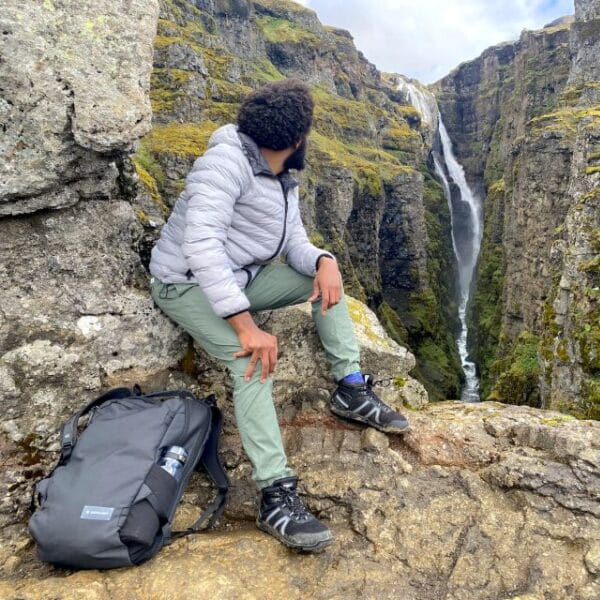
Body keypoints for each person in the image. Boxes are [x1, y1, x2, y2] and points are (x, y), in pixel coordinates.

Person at [148, 78, 410, 553]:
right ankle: (275, 493)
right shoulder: (224, 164)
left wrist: (325, 261)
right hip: (184, 283)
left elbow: (294, 245)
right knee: (251, 361)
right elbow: (200, 245)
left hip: (241, 278)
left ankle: (350, 387)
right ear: (297, 139)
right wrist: (247, 327)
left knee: (324, 281)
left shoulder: (281, 176)